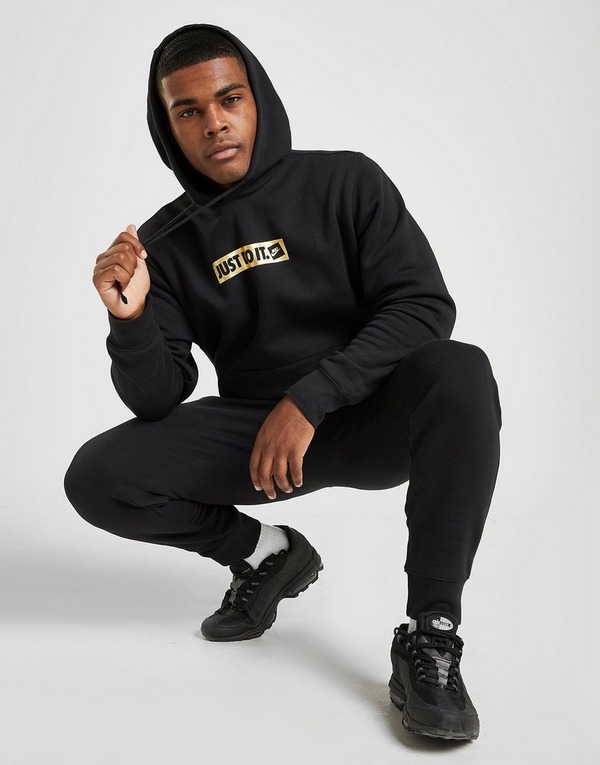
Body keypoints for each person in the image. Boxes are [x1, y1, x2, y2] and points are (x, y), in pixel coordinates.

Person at [64, 23, 501, 741]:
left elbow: (423, 307)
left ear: (257, 98)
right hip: (261, 443)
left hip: (369, 416)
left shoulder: (345, 181)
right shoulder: (162, 243)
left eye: (229, 99)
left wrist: (311, 397)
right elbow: (157, 396)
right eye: (189, 111)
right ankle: (267, 555)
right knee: (98, 475)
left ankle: (432, 637)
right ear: (167, 127)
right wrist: (131, 317)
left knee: (462, 370)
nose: (214, 123)